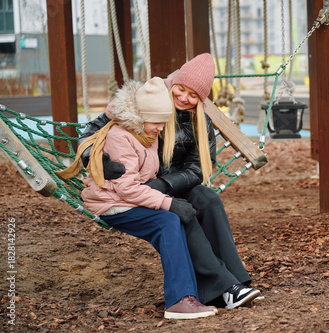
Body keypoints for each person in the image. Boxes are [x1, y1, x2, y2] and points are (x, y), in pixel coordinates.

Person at [78, 53, 261, 309]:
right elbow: (95, 129)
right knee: (179, 216)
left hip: (168, 183)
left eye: (193, 95)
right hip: (135, 183)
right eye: (181, 90)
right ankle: (224, 287)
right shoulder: (145, 101)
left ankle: (237, 282)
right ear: (172, 84)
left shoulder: (201, 120)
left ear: (202, 100)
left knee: (208, 199)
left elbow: (197, 168)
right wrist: (93, 159)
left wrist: (164, 186)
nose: (184, 98)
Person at [57, 77, 217, 319]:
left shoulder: (146, 135)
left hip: (127, 199)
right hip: (111, 203)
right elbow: (127, 189)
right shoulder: (121, 136)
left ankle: (191, 293)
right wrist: (168, 202)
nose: (162, 129)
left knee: (173, 220)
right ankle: (179, 300)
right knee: (168, 221)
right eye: (157, 122)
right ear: (141, 117)